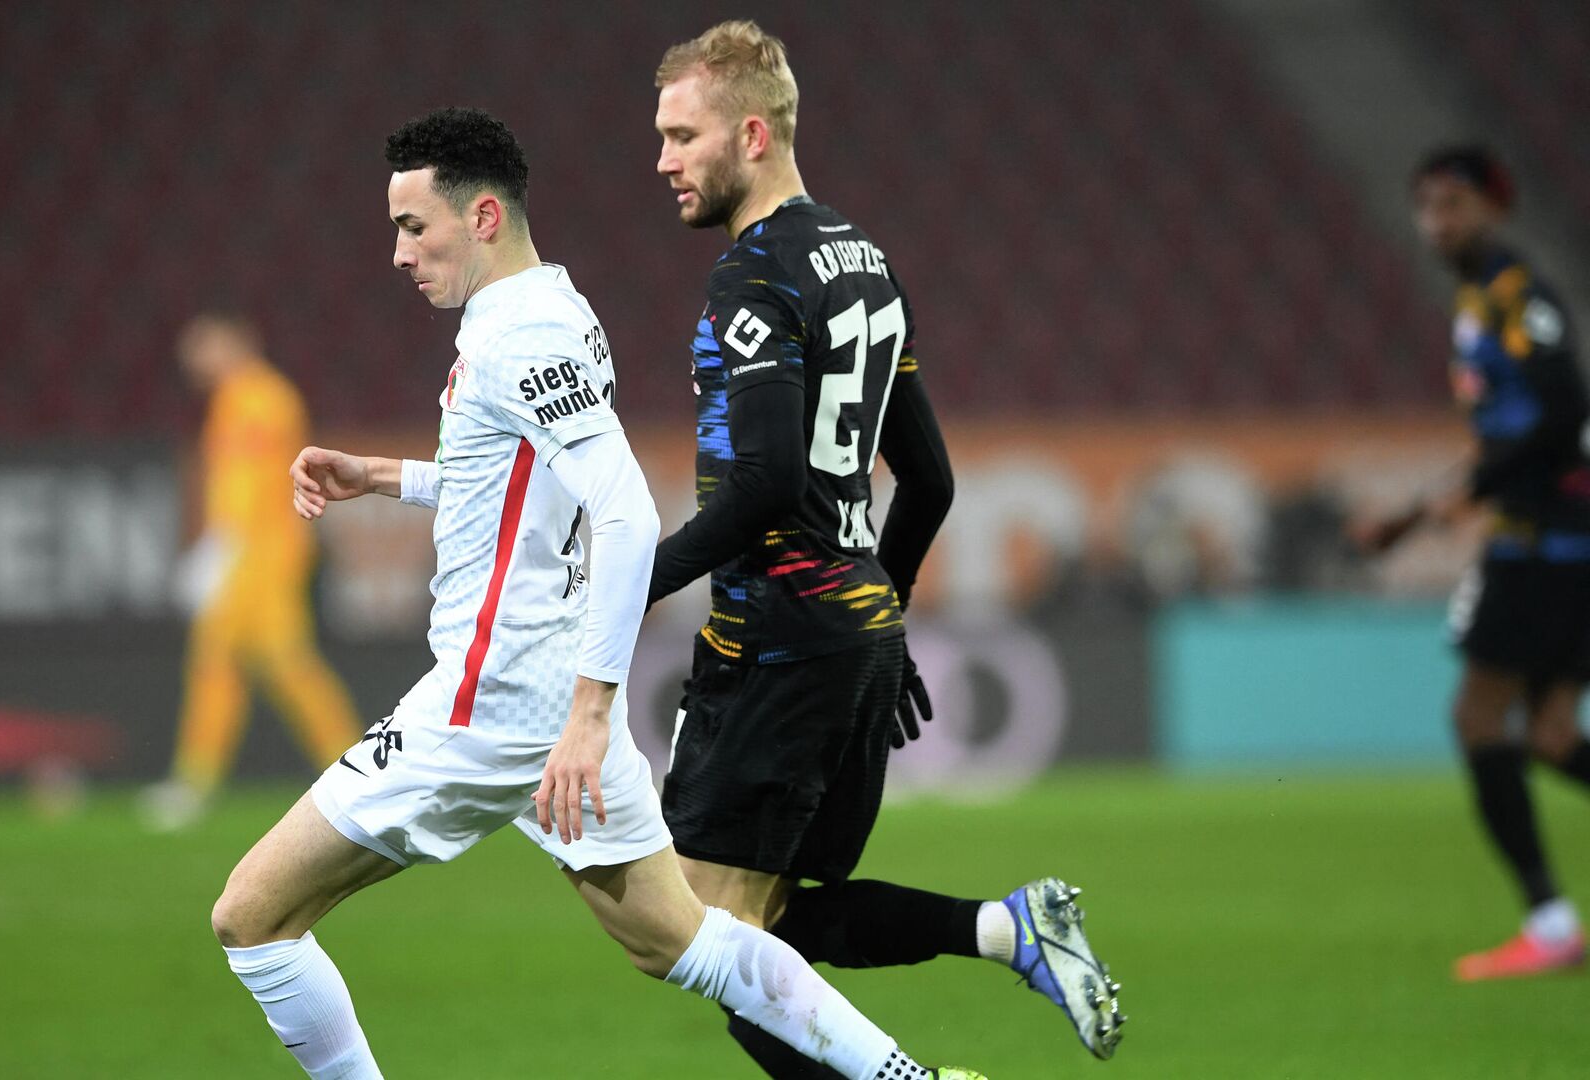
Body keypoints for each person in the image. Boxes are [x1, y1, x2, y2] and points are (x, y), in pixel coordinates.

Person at [211, 106, 985, 1080]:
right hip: (546, 694)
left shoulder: (516, 338)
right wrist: (387, 476)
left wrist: (589, 711)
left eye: (414, 228)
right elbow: (522, 490)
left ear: (483, 216)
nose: (398, 255)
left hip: (489, 704)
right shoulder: (557, 308)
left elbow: (620, 509)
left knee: (252, 918)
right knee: (682, 938)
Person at [645, 21, 1124, 1071]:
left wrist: (638, 580)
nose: (665, 161)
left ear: (755, 135)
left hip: (775, 640)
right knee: (755, 938)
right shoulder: (862, 262)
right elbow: (932, 479)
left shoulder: (755, 276)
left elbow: (765, 484)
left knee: (698, 937)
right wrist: (885, 607)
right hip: (852, 634)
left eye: (684, 136)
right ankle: (1004, 931)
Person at [1354, 144, 1590, 980]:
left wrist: (1476, 490)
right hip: (1552, 535)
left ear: (1497, 206)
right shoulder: (1476, 301)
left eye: (1453, 204)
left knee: (1478, 720)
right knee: (1556, 737)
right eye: (1426, 207)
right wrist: (1414, 518)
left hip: (1546, 541)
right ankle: (1556, 926)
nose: (1437, 222)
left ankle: (1553, 926)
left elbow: (1564, 411)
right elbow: (1514, 435)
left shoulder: (1517, 296)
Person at [141, 313, 361, 831]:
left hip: (262, 556)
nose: (194, 360)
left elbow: (252, 483)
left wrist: (223, 547)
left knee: (275, 663)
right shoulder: (241, 398)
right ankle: (200, 779)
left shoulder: (258, 398)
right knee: (227, 662)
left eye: (204, 346)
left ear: (236, 342)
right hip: (252, 554)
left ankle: (351, 765)